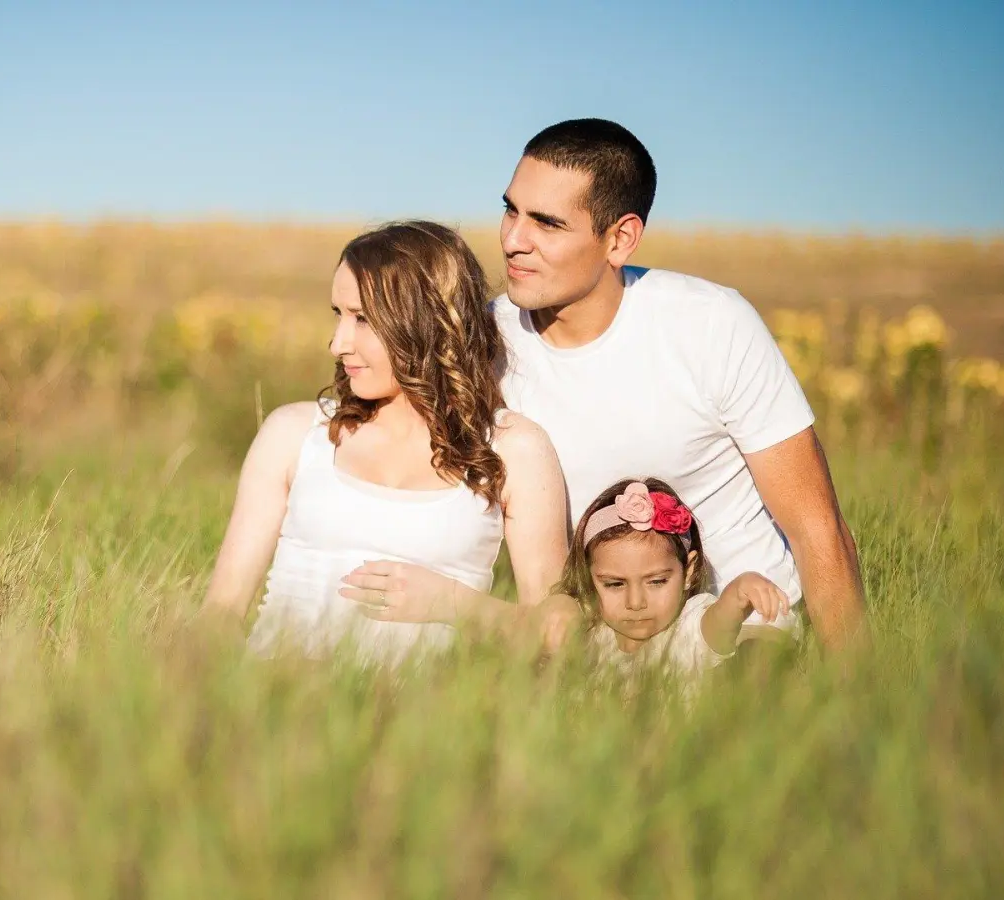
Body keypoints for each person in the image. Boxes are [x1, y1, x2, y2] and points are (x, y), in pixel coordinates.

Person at [361, 118, 866, 652]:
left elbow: (819, 529)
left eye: (547, 223)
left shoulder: (712, 324)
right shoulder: (482, 341)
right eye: (511, 210)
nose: (513, 240)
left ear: (619, 238)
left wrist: (856, 705)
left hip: (739, 637)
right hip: (590, 646)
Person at [198, 221, 571, 667]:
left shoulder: (514, 448)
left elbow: (560, 634)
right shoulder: (294, 434)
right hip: (277, 708)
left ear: (427, 319)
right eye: (338, 314)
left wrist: (454, 603)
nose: (338, 343)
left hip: (423, 725)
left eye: (362, 319)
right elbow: (220, 613)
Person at [555, 477, 790, 684]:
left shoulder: (688, 629)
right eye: (615, 584)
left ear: (688, 571)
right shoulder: (592, 634)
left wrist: (739, 593)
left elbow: (719, 624)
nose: (636, 602)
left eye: (656, 582)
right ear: (588, 577)